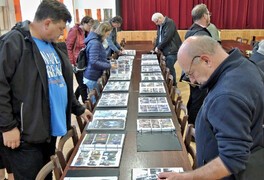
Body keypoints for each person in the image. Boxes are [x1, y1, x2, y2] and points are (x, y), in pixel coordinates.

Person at [0, 0, 93, 179]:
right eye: (60, 28)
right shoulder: (15, 41)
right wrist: (7, 127)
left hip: (49, 130)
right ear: (47, 22)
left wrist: (78, 109)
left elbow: (60, 83)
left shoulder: (51, 45)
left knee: (46, 176)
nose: (61, 34)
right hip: (26, 135)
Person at [158, 36, 264, 180]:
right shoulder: (244, 65)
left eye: (191, 73)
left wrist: (186, 177)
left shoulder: (226, 95)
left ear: (206, 60)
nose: (193, 81)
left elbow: (231, 161)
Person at [183, 3, 212, 126]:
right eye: (208, 14)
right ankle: (194, 129)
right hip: (199, 74)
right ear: (205, 16)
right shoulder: (202, 34)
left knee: (194, 99)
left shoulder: (191, 30)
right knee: (198, 102)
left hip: (191, 73)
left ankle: (190, 124)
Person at [83, 22, 117, 100]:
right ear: (103, 32)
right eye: (107, 34)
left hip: (94, 75)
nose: (108, 36)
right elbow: (94, 62)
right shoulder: (95, 43)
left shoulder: (97, 41)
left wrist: (109, 62)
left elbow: (100, 58)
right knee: (95, 102)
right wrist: (109, 66)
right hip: (92, 77)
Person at [66, 16, 94, 103]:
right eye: (89, 25)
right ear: (83, 23)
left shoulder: (87, 32)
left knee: (84, 82)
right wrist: (71, 62)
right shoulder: (74, 31)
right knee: (82, 85)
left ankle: (74, 100)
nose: (90, 27)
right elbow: (69, 47)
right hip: (77, 62)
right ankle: (86, 106)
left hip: (85, 60)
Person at [151, 13, 182, 86]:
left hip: (172, 50)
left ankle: (173, 85)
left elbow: (167, 38)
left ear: (160, 18)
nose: (156, 24)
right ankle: (169, 83)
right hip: (166, 50)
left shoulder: (169, 23)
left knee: (169, 67)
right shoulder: (160, 25)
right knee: (168, 67)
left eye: (156, 21)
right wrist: (154, 48)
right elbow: (158, 38)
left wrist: (158, 47)